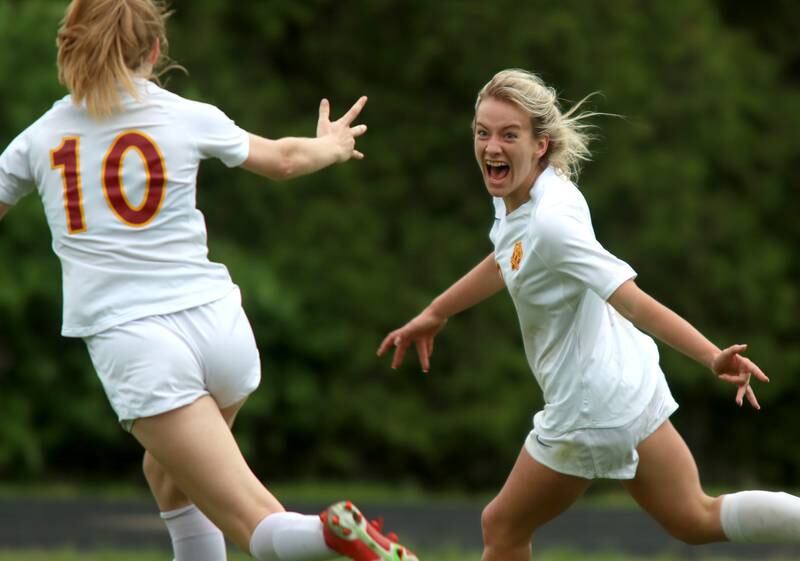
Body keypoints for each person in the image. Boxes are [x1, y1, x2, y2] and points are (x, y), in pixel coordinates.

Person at [0, 1, 418, 561]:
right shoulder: (187, 115)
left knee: (256, 523)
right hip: (221, 329)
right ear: (153, 51)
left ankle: (330, 533)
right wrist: (334, 145)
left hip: (138, 343)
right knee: (169, 474)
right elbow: (285, 159)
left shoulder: (41, 136)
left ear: (68, 45)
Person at [378, 68, 800, 561]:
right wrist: (436, 311)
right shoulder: (525, 195)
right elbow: (508, 258)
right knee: (693, 517)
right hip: (625, 380)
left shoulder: (552, 222)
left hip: (589, 406)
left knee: (502, 526)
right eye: (482, 132)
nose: (491, 146)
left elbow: (634, 301)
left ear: (541, 144)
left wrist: (711, 357)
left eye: (508, 135)